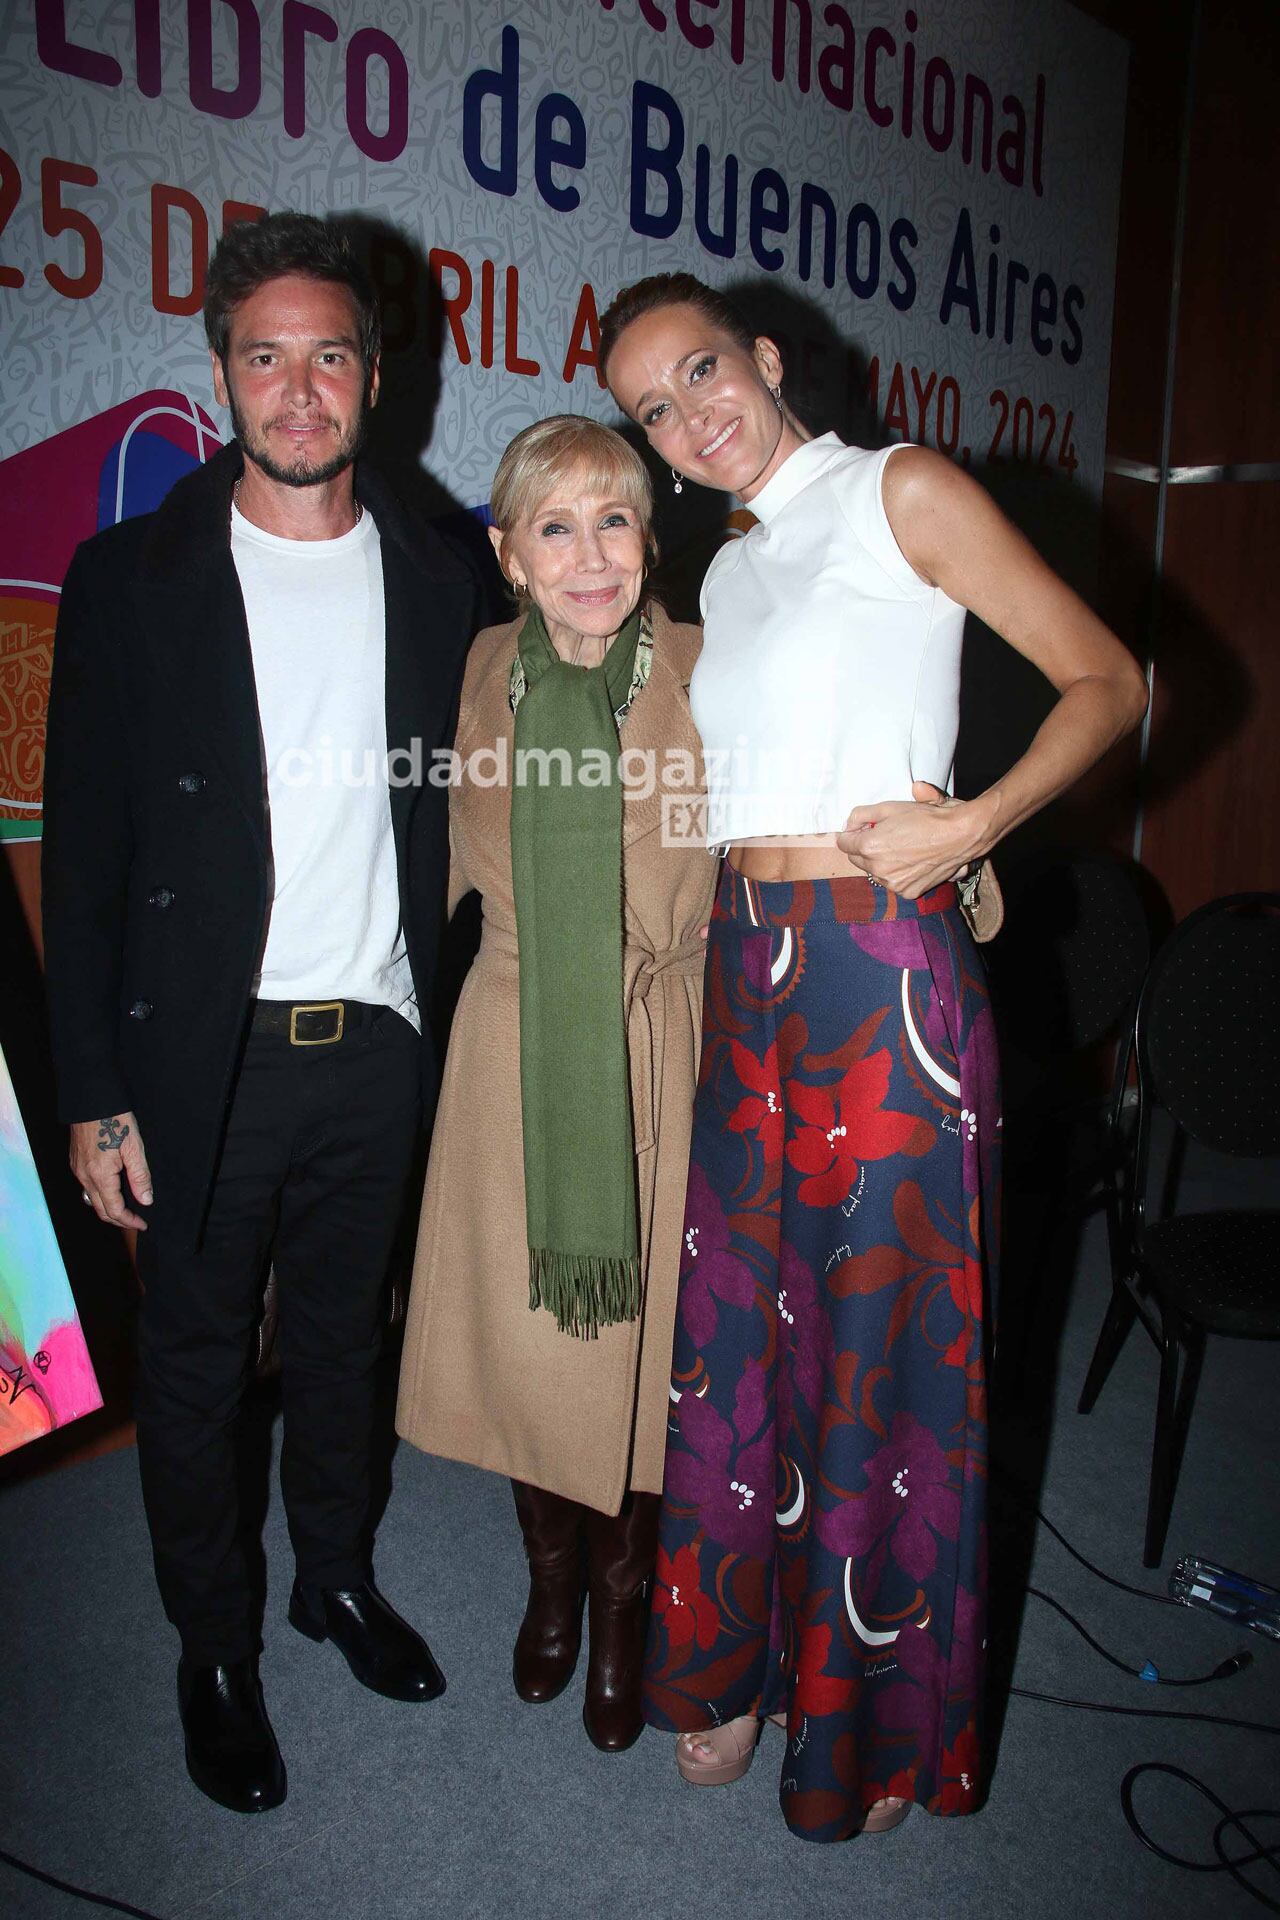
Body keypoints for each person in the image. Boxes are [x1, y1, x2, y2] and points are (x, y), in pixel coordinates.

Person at [600, 273, 1148, 1840]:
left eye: (702, 369)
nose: (690, 413)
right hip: (749, 967)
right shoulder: (737, 567)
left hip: (877, 974)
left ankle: (872, 1727)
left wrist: (973, 824)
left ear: (766, 360)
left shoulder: (899, 490)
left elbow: (1111, 678)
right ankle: (727, 1667)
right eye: (654, 406)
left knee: (880, 1350)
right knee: (740, 1337)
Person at [41, 212, 483, 1814]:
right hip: (198, 1058)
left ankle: (335, 1577)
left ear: (378, 375)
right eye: (265, 357)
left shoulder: (446, 572)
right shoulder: (131, 577)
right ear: (222, 372)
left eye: (329, 356)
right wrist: (93, 1095)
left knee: (349, 1352)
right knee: (201, 1363)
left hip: (379, 1045)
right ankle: (213, 1646)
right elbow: (84, 851)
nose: (299, 389)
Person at [396, 415, 718, 1751]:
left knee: (639, 1363)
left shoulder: (716, 666)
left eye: (617, 519)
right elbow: (398, 839)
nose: (591, 554)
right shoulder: (470, 676)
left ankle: (626, 1602)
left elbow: (815, 794)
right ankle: (548, 1588)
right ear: (509, 554)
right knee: (536, 1349)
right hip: (512, 1046)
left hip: (660, 1041)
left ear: (652, 538)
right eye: (555, 525)